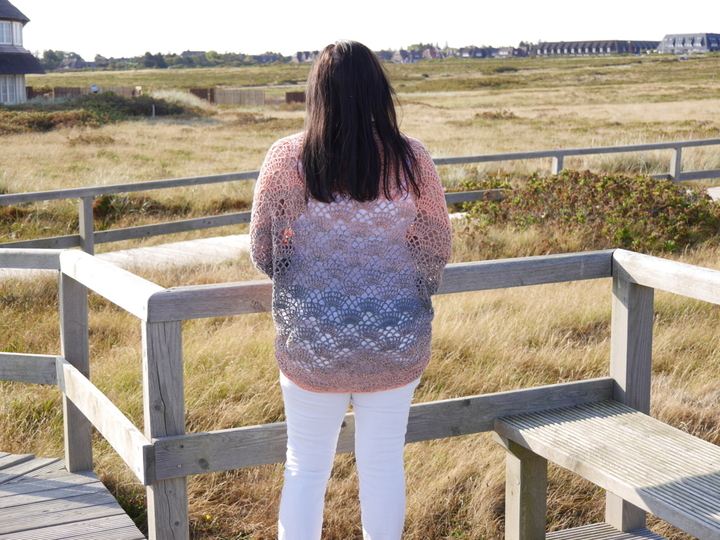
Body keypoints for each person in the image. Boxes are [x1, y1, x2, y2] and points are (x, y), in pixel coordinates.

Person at [250, 40, 452, 540]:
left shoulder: (287, 156)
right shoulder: (412, 159)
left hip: (311, 341)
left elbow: (264, 251)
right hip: (394, 338)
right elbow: (436, 248)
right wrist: (398, 288)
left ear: (317, 93)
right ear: (377, 91)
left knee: (305, 467)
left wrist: (311, 280)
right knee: (382, 467)